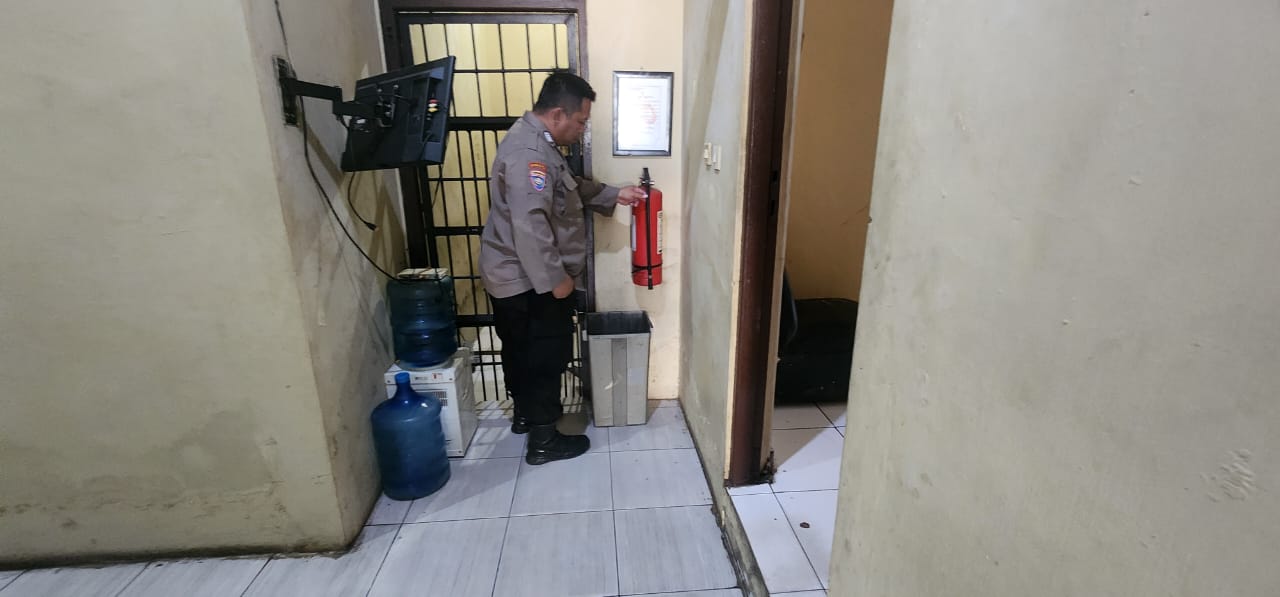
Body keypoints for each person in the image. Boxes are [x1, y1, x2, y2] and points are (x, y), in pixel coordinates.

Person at [479, 73, 647, 465]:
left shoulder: (539, 144)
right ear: (558, 114)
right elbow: (530, 225)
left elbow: (570, 186)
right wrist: (556, 281)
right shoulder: (530, 154)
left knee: (519, 349)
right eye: (581, 121)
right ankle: (543, 441)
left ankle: (525, 416)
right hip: (530, 281)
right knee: (544, 354)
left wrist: (615, 194)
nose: (583, 129)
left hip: (513, 277)